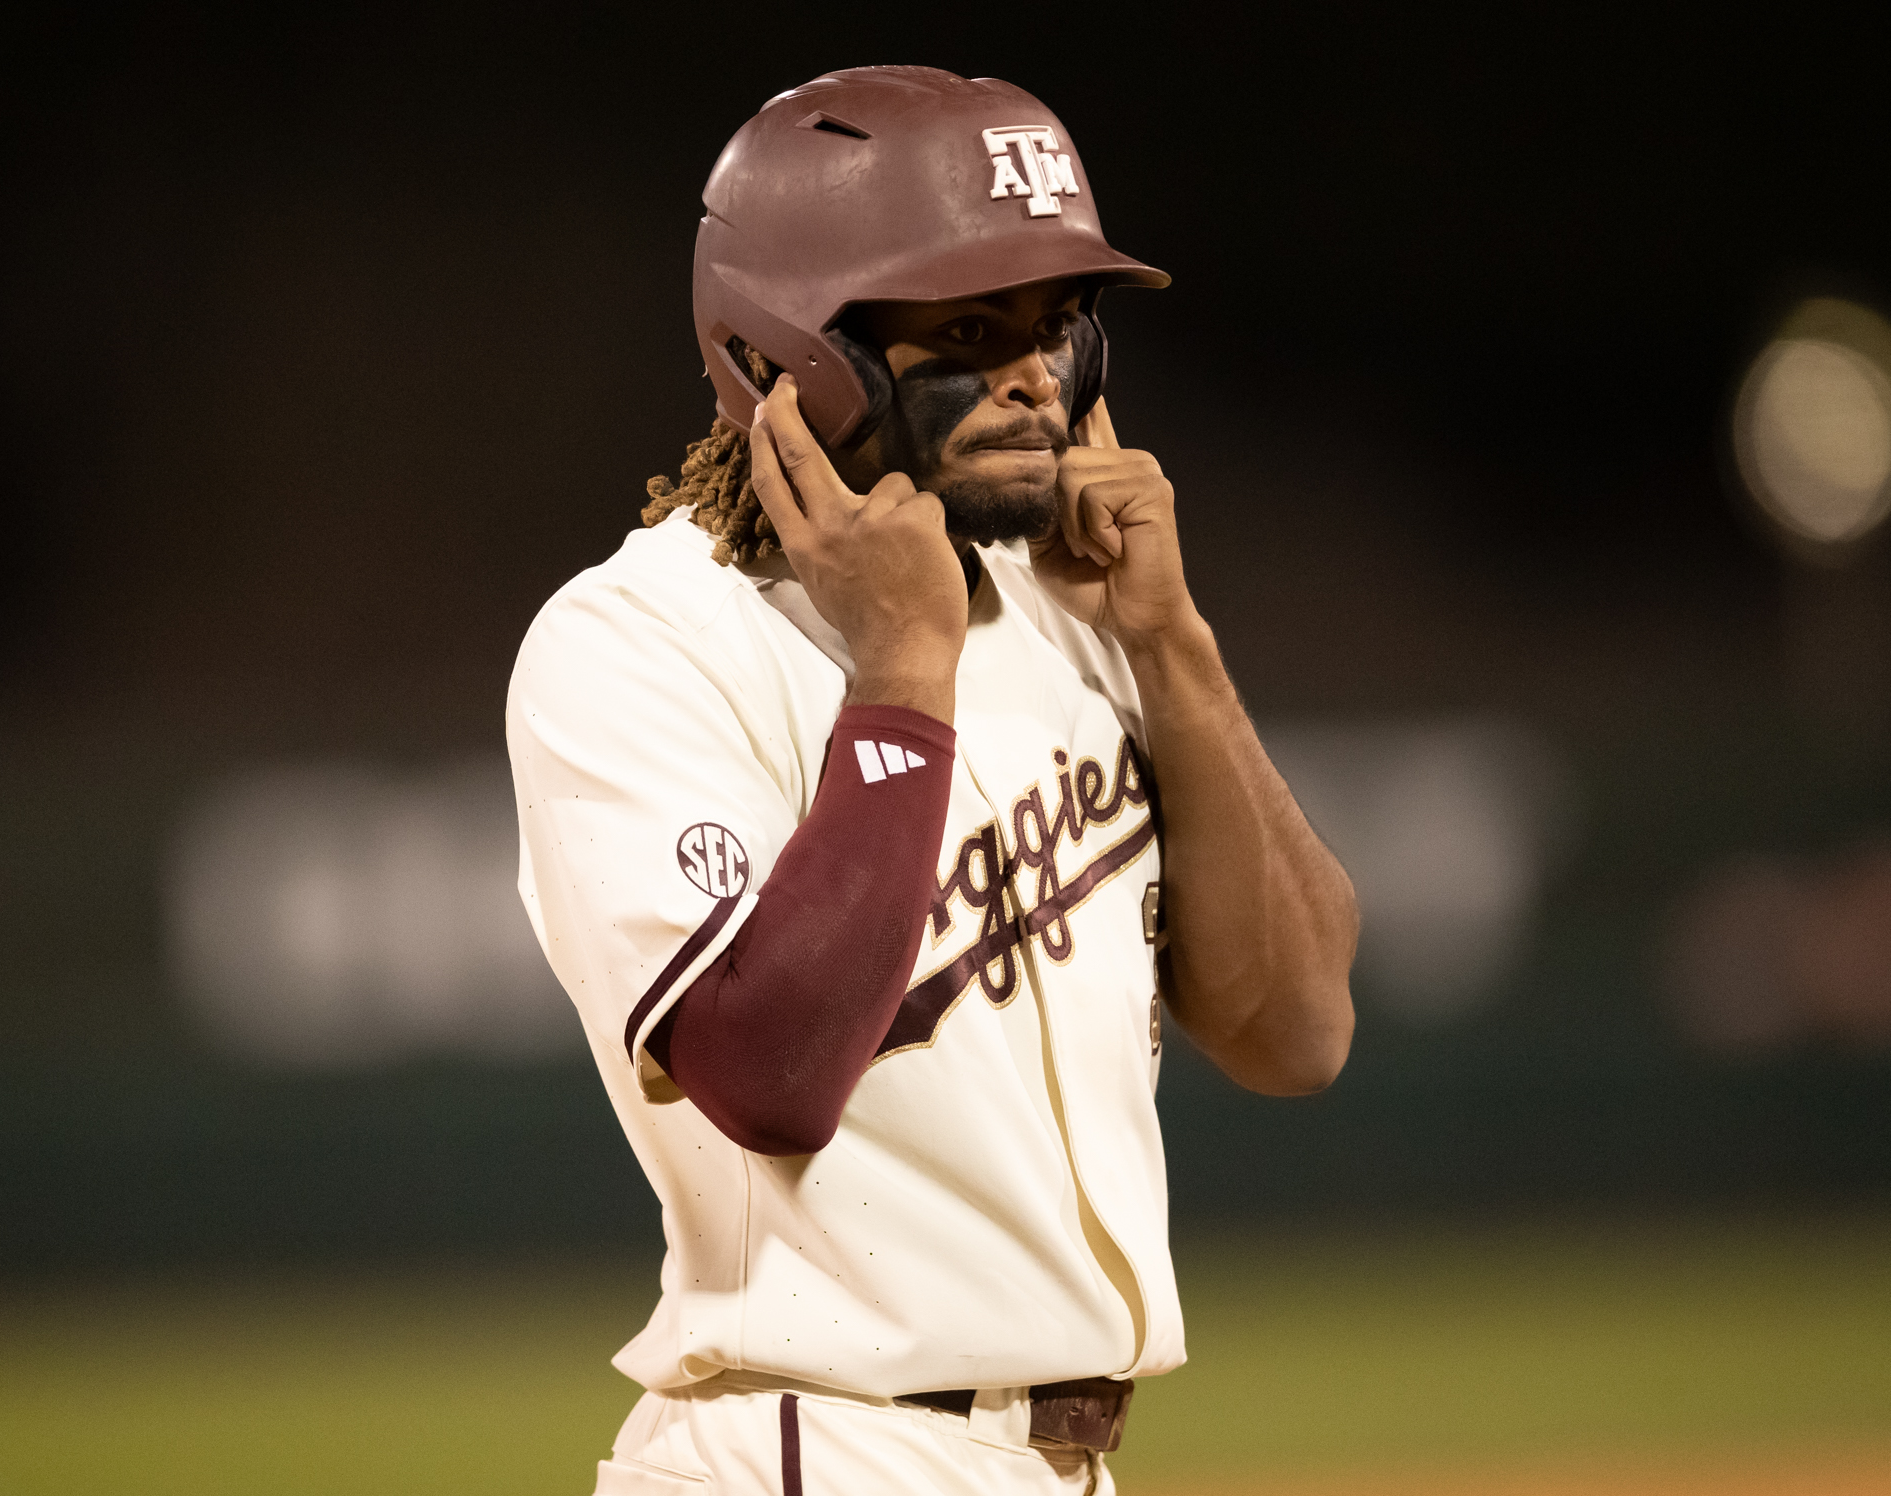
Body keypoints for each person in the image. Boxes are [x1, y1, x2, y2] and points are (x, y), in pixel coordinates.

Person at [507, 65, 1357, 1496]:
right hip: (817, 1445)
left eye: (1055, 327)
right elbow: (766, 1077)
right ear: (794, 358)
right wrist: (903, 669)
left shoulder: (1072, 605)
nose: (1037, 375)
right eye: (969, 329)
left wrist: (1173, 643)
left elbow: (1299, 1033)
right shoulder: (642, 639)